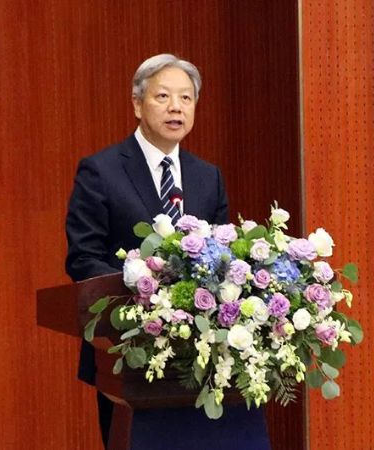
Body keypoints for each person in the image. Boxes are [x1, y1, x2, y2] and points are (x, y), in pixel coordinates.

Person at [65, 54, 271, 450]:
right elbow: (83, 258)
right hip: (129, 352)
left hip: (203, 355)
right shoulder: (101, 170)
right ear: (137, 104)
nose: (176, 107)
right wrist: (146, 300)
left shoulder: (207, 176)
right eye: (163, 96)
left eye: (186, 98)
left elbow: (223, 257)